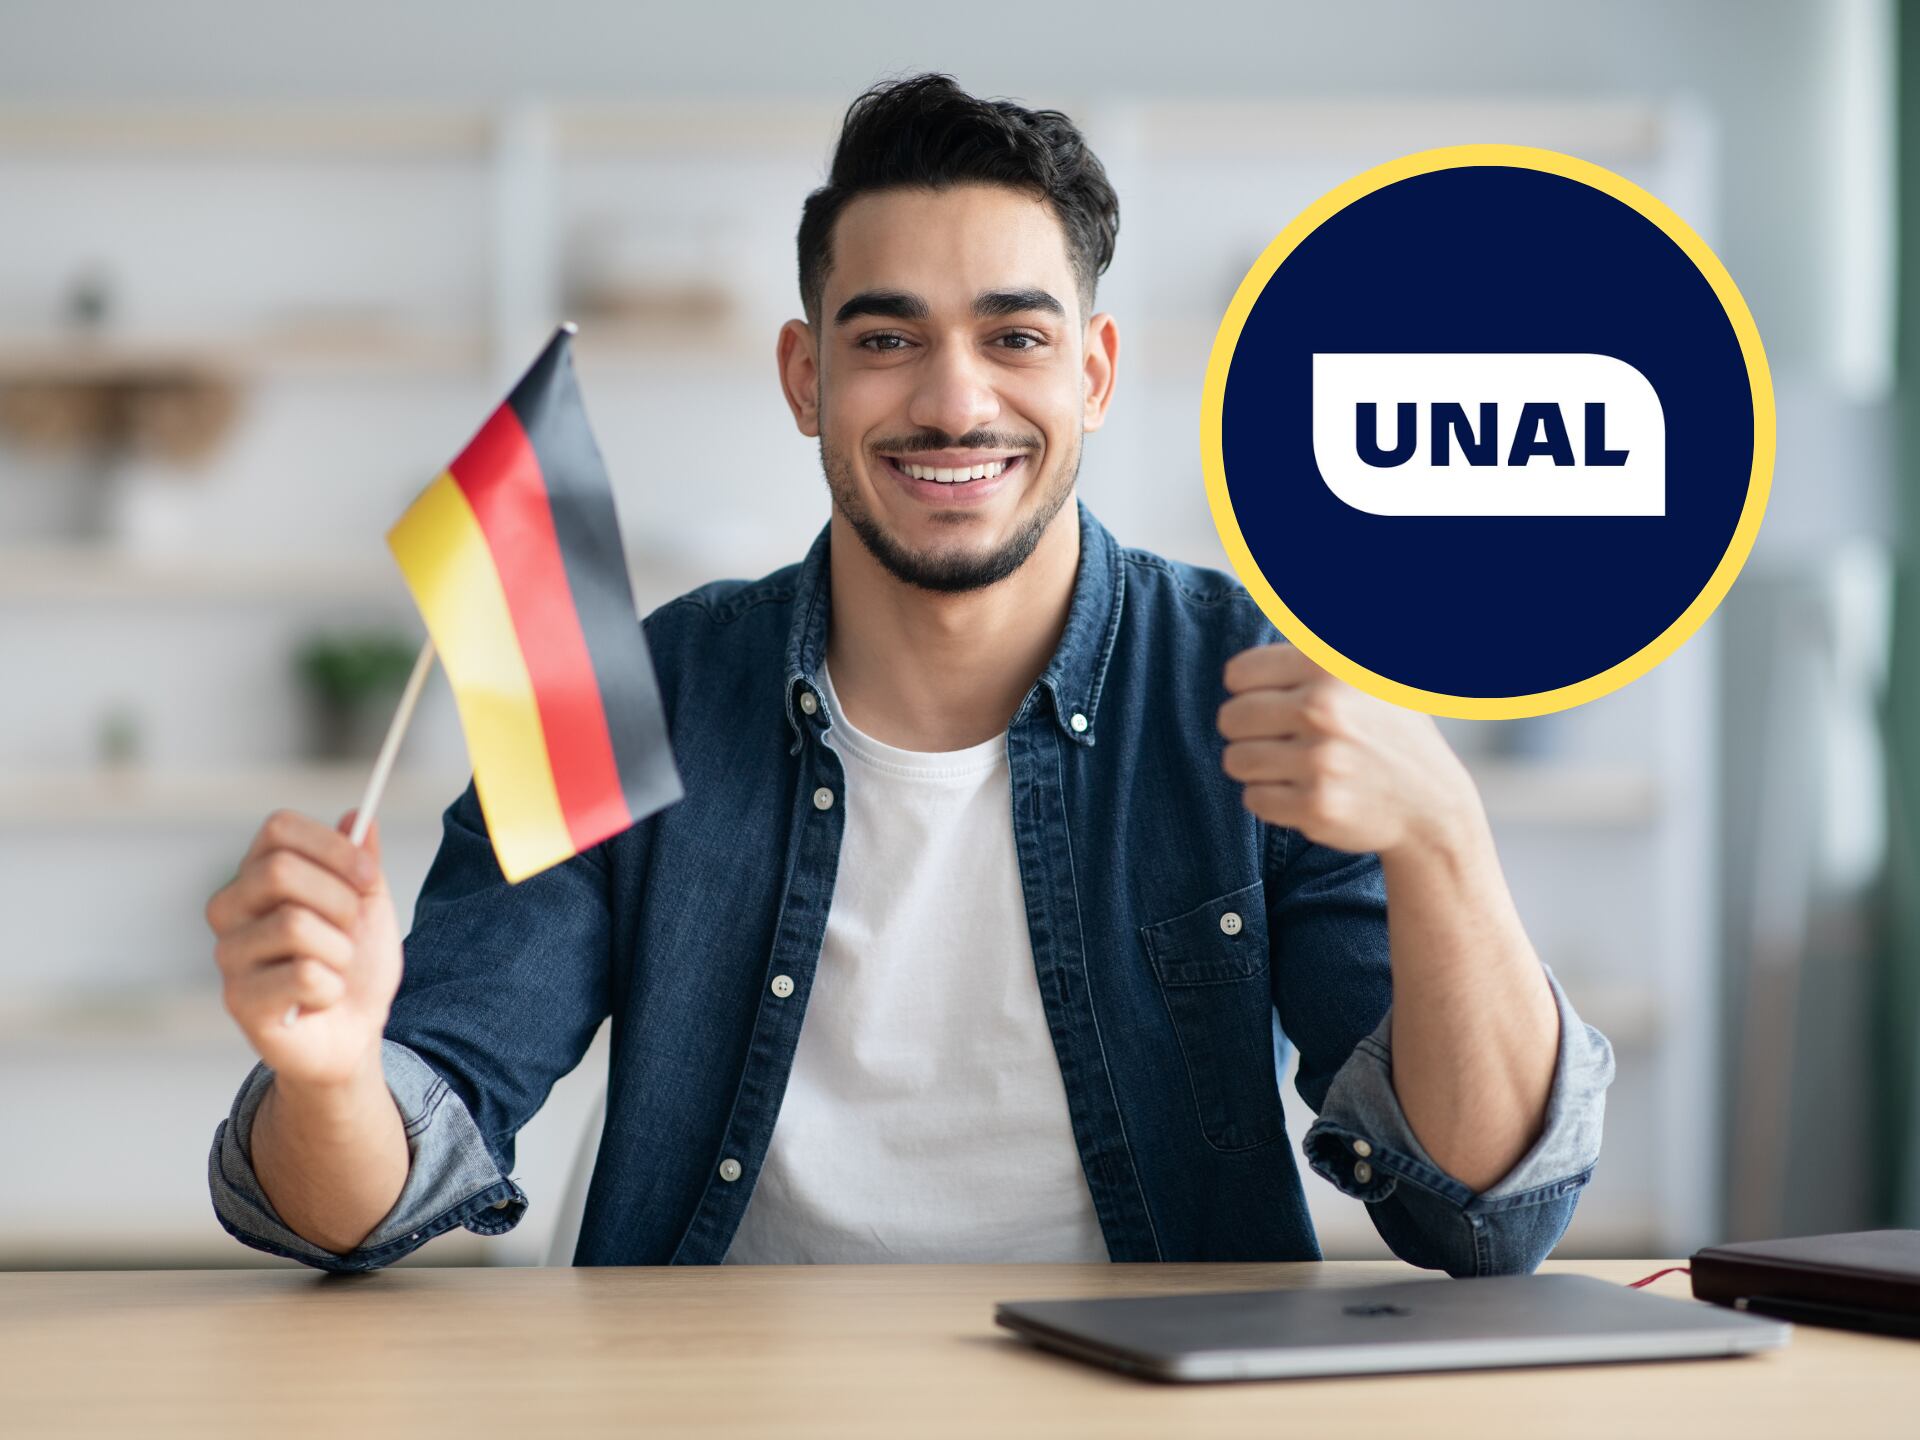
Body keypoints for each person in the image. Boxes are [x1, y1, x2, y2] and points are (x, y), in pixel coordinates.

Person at [206, 74, 1612, 1273]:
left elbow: (1483, 1216)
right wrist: (329, 1075)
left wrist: (1444, 836)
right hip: (713, 1401)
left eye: (1016, 336)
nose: (953, 399)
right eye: (887, 341)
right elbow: (366, 1200)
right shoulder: (625, 687)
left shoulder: (1256, 684)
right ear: (806, 379)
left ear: (1097, 374)